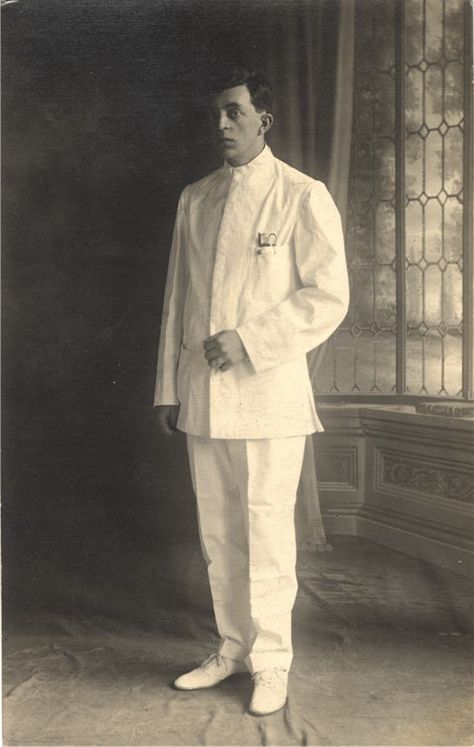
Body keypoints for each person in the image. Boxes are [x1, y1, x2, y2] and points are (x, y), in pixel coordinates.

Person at [154, 67, 349, 716]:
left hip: (269, 398)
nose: (222, 126)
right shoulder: (196, 199)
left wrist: (251, 340)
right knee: (219, 534)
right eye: (216, 114)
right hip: (202, 395)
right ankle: (231, 647)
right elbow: (178, 301)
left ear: (263, 120)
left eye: (234, 113)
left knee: (266, 533)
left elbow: (328, 297)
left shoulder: (302, 195)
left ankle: (271, 662)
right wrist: (167, 386)